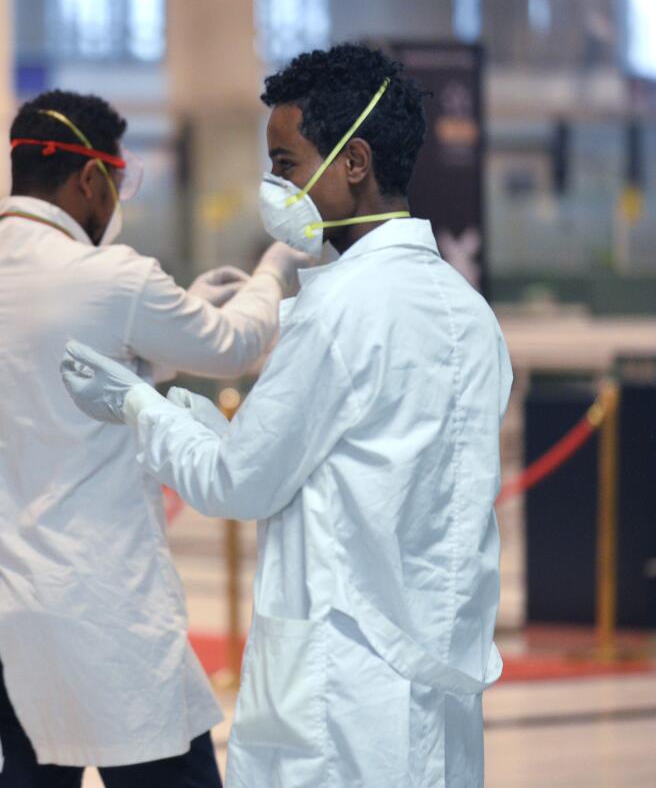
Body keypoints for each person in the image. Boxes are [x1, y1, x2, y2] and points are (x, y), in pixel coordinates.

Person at [63, 43, 511, 788]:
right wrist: (182, 411)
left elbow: (238, 481)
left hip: (338, 684)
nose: (274, 188)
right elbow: (306, 456)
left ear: (354, 161)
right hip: (432, 678)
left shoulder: (340, 310)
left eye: (286, 163)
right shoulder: (468, 312)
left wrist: (135, 404)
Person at [0, 89, 311, 787]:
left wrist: (181, 309)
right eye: (119, 182)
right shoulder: (110, 275)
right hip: (99, 610)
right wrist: (271, 273)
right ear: (90, 178)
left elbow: (62, 374)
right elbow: (234, 346)